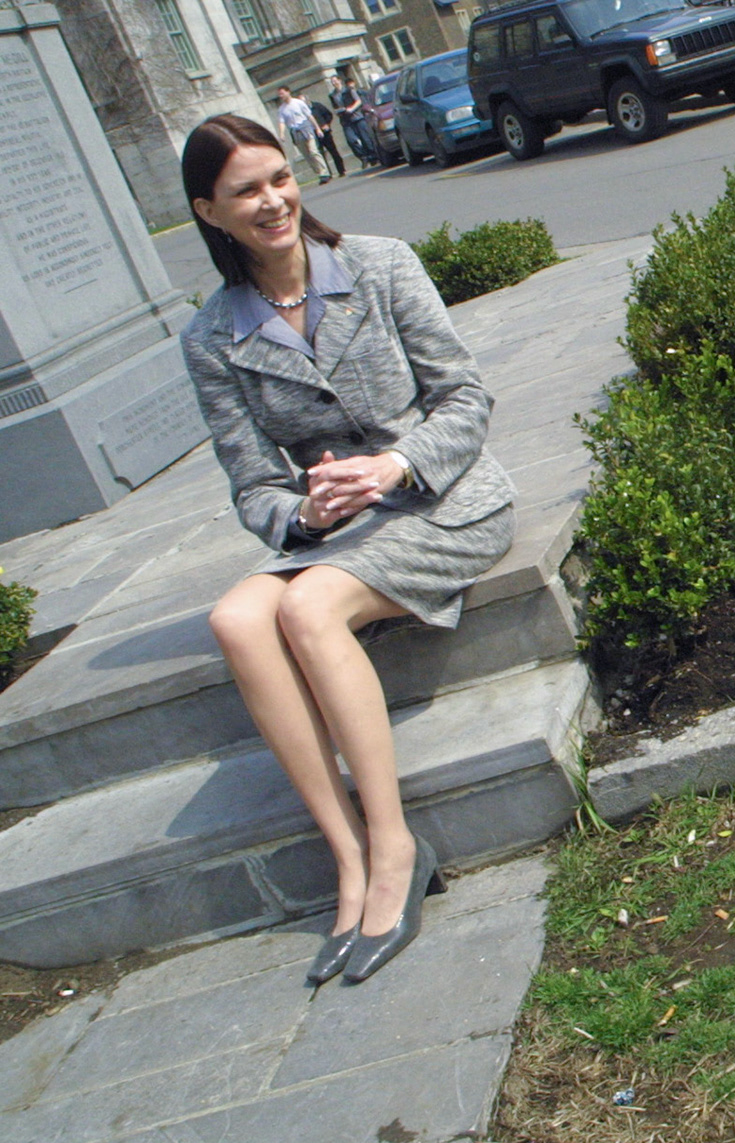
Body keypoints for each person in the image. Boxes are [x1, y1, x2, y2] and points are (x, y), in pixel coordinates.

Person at [178, 114, 515, 985]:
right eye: (246, 191)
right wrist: (308, 514)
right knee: (237, 619)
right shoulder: (213, 336)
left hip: (441, 499)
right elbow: (253, 487)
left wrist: (395, 463)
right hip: (338, 527)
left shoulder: (381, 263)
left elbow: (466, 398)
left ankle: (396, 843)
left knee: (306, 605)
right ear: (209, 212)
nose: (273, 200)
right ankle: (351, 857)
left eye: (279, 178)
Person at [274, 86, 329, 184]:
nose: (281, 96)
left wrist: (317, 128)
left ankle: (324, 173)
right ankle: (318, 171)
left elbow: (309, 116)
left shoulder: (298, 103)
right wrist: (282, 134)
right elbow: (281, 122)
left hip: (306, 128)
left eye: (282, 93)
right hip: (295, 132)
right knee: (307, 155)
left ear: (288, 92)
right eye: (279, 94)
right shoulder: (282, 109)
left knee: (313, 151)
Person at [330, 74, 377, 168]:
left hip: (357, 116)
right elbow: (335, 107)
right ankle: (363, 157)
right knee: (351, 140)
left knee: (365, 138)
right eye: (332, 81)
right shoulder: (332, 95)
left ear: (339, 81)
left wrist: (351, 108)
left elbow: (358, 101)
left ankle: (373, 156)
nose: (334, 83)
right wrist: (338, 111)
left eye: (335, 80)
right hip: (345, 120)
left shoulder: (349, 90)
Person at [309, 96, 348, 178]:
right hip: (313, 134)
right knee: (320, 155)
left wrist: (327, 124)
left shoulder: (317, 106)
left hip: (325, 132)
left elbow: (328, 114)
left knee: (333, 151)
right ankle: (327, 174)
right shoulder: (302, 111)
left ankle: (341, 170)